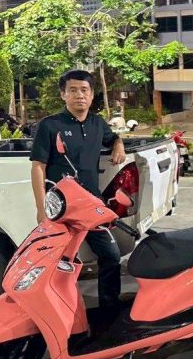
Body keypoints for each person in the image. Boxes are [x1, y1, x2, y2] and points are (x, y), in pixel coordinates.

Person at [30, 69, 126, 308]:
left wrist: (118, 145)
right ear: (63, 94)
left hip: (90, 207)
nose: (79, 95)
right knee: (57, 262)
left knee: (111, 256)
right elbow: (38, 167)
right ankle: (55, 310)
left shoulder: (97, 123)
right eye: (72, 90)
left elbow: (113, 138)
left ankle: (108, 311)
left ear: (92, 95)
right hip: (61, 210)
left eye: (84, 90)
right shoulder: (50, 125)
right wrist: (42, 209)